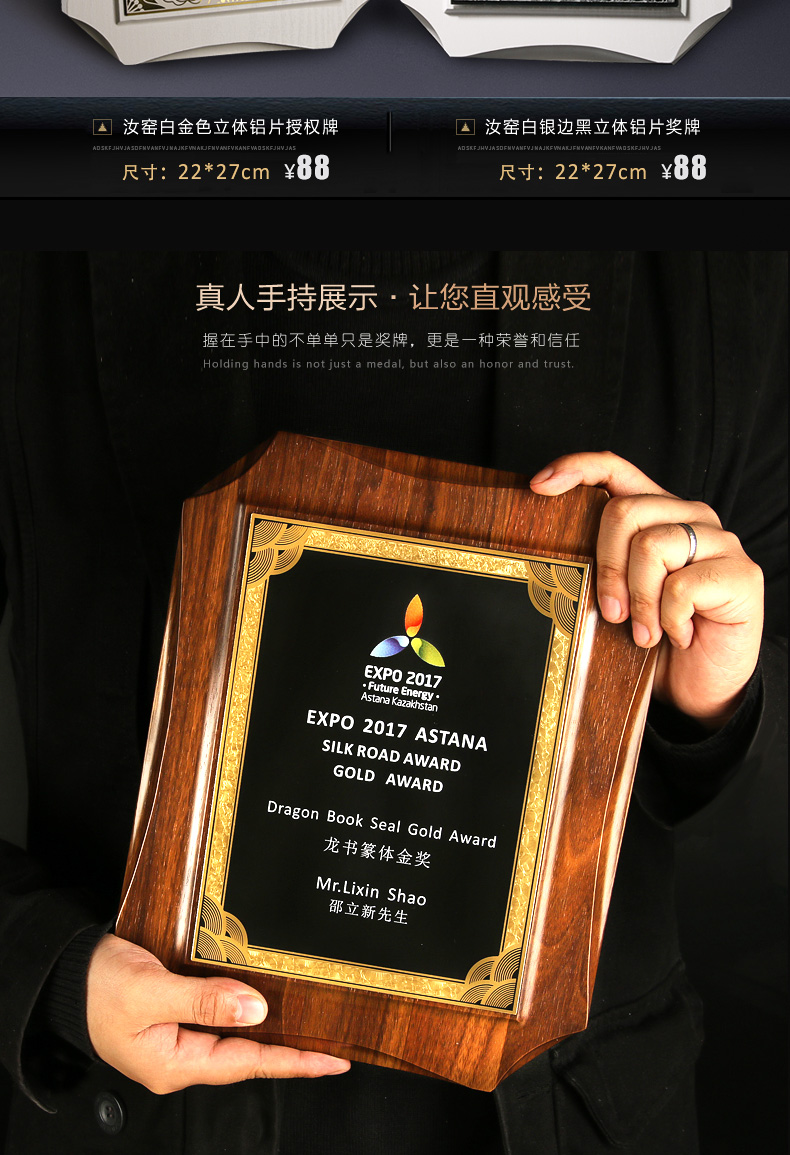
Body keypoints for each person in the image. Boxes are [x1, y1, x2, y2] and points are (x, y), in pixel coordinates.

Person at [0, 251, 786, 1154]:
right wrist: (45, 969)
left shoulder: (724, 263)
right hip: (136, 1110)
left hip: (576, 1115)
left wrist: (718, 697)